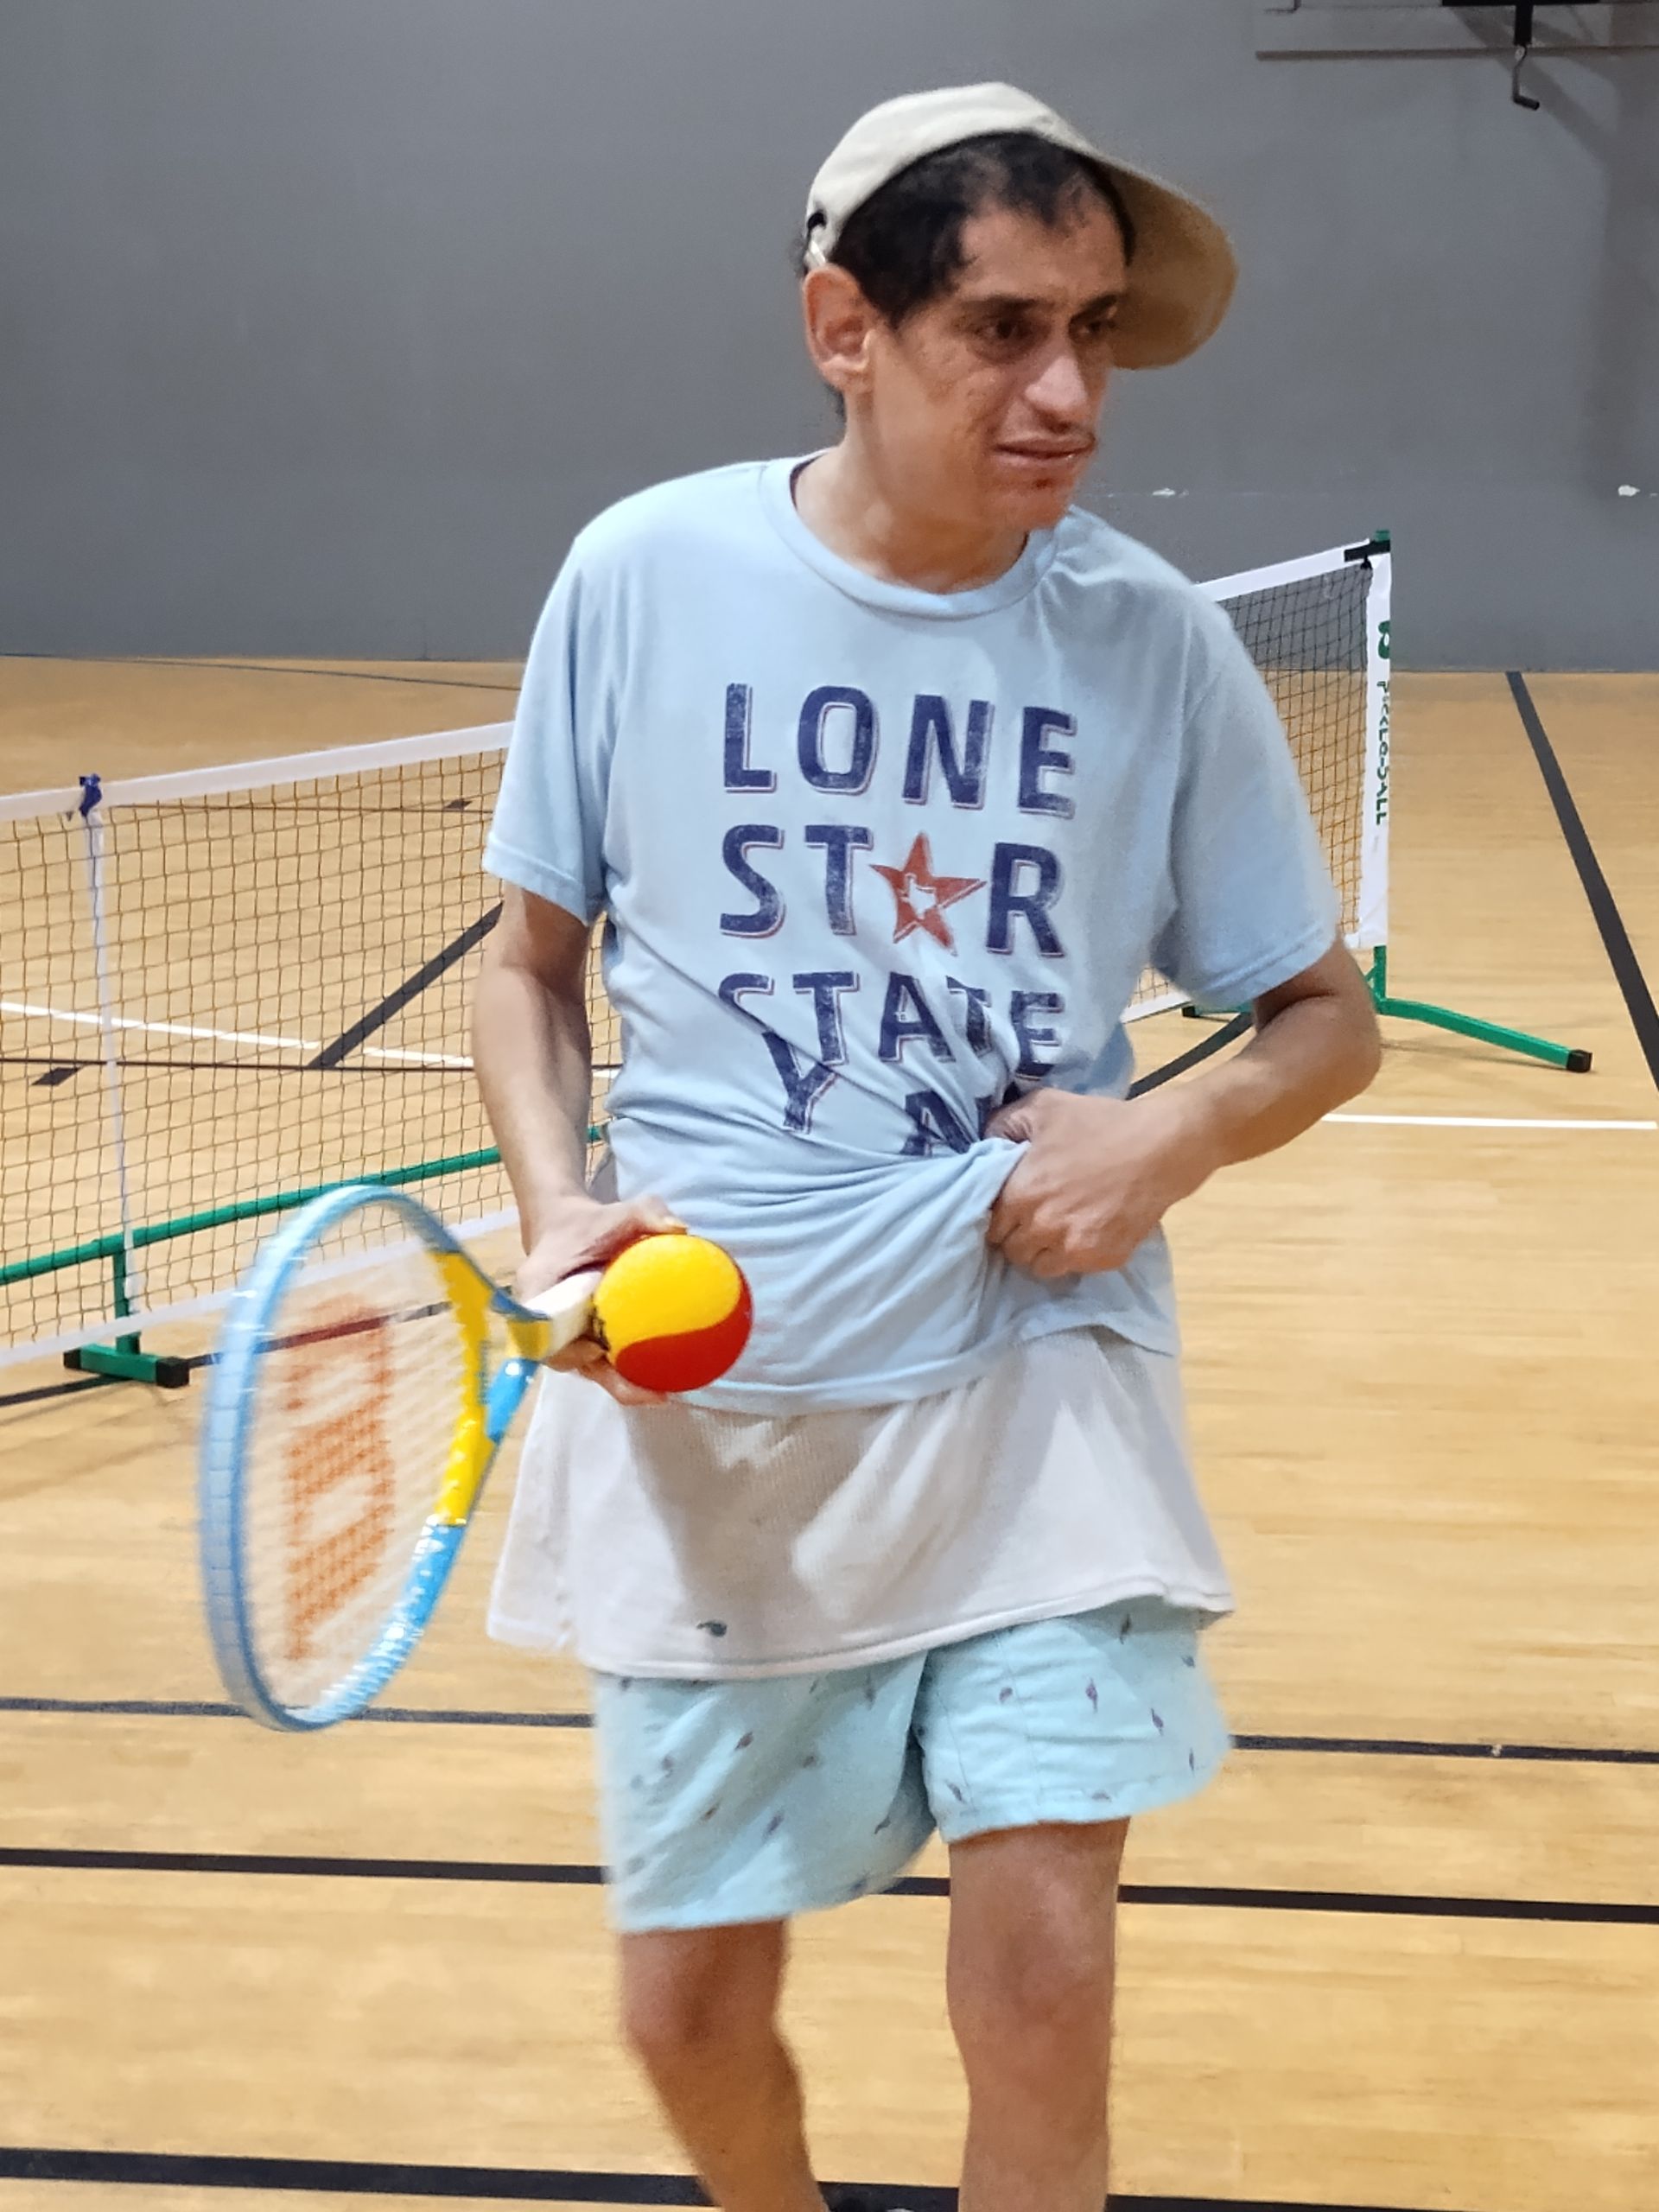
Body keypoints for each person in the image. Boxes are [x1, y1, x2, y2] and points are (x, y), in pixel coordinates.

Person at [473, 81, 1380, 2212]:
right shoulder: (645, 572)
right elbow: (525, 970)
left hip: (1025, 1366)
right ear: (841, 325)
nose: (1069, 389)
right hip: (721, 1398)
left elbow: (1322, 1015)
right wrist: (557, 1204)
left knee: (1047, 1969)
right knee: (683, 2018)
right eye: (1002, 328)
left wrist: (1169, 1139)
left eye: (1094, 329)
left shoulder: (1149, 635)